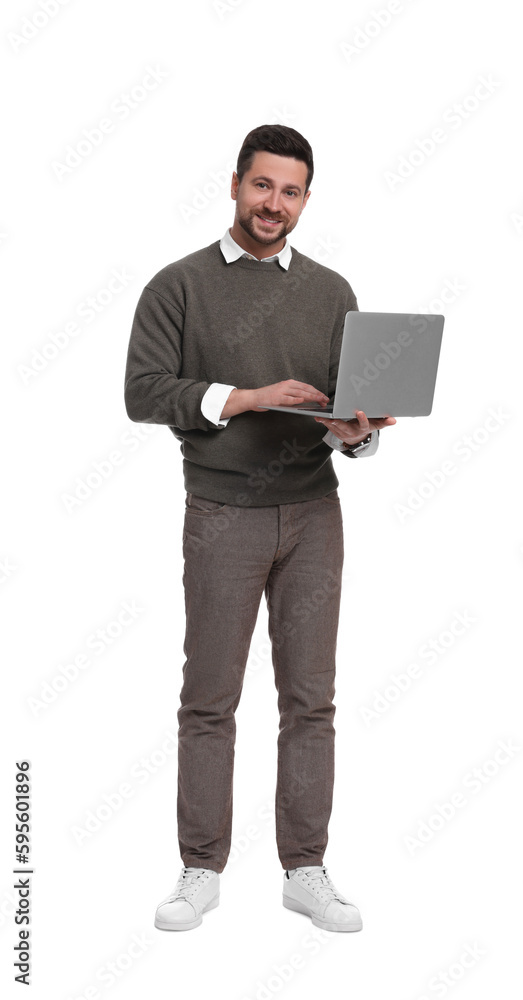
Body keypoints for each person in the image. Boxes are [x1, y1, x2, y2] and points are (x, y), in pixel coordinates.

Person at [124, 124, 396, 934]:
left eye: (290, 191)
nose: (273, 204)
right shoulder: (177, 286)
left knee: (310, 700)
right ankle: (200, 868)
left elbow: (348, 415)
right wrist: (242, 397)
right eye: (262, 186)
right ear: (235, 184)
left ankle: (304, 869)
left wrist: (359, 431)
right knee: (208, 699)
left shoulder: (333, 291)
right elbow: (144, 392)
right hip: (220, 515)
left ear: (306, 199)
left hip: (314, 513)